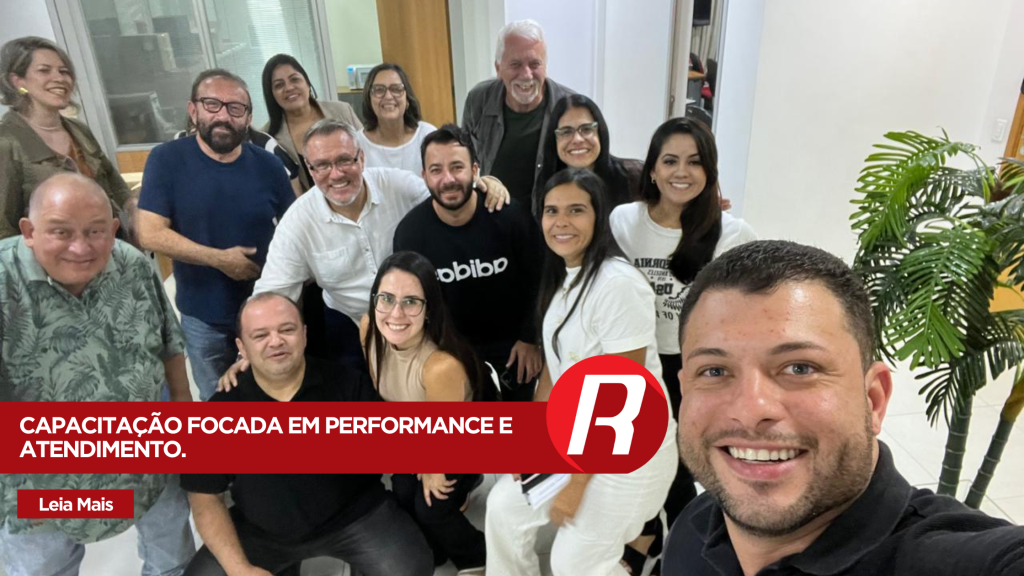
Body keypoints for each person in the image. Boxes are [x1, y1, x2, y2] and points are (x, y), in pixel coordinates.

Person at [664, 240, 1024, 576]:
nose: (751, 410)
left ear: (873, 400)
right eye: (714, 371)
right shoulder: (696, 526)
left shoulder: (955, 561)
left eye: (800, 368)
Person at [485, 169, 677, 576]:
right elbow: (553, 372)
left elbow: (621, 398)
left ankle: (637, 552)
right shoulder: (562, 280)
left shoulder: (617, 284)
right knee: (502, 508)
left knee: (571, 562)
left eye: (576, 210)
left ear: (598, 216)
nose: (561, 222)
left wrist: (575, 484)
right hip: (579, 436)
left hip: (630, 449)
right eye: (551, 211)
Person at [0, 173, 194, 575]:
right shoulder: (4, 281)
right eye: (61, 232)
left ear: (114, 228)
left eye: (95, 231)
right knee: (46, 567)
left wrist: (182, 415)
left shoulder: (132, 265)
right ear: (29, 231)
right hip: (40, 483)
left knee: (173, 560)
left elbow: (168, 344)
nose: (81, 247)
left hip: (144, 459)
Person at [181, 292, 433, 576]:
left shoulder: (347, 385)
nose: (275, 341)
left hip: (355, 516)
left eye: (286, 330)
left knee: (408, 569)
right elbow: (204, 496)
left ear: (304, 334)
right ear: (242, 347)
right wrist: (239, 569)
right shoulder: (220, 411)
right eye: (260, 335)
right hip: (261, 529)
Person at [610, 116, 756, 574]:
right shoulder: (624, 221)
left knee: (679, 462)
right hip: (637, 358)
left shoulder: (732, 233)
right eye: (670, 160)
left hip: (693, 366)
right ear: (652, 169)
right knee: (641, 456)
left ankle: (682, 550)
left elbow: (747, 309)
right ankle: (653, 535)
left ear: (710, 171)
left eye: (695, 162)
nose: (681, 172)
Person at [253, 119, 508, 369]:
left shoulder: (398, 186)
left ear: (362, 158)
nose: (336, 174)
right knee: (356, 391)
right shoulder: (297, 222)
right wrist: (251, 351)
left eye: (345, 160)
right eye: (322, 165)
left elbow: (447, 195)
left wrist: (485, 183)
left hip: (415, 317)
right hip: (350, 321)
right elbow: (273, 291)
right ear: (310, 169)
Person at [138, 68, 295, 401]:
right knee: (218, 399)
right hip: (203, 315)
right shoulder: (166, 160)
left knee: (273, 395)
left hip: (264, 310)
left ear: (248, 117)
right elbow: (149, 233)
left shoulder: (268, 165)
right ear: (193, 110)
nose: (223, 116)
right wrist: (220, 259)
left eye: (235, 108)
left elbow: (295, 228)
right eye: (212, 104)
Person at [358, 251, 488, 574]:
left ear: (429, 309)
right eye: (386, 298)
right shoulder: (368, 329)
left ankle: (478, 556)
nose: (396, 313)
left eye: (411, 302)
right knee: (403, 496)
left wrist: (431, 466)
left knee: (431, 506)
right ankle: (436, 552)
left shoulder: (439, 366)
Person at [393, 124, 542, 400]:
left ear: (475, 170)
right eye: (436, 170)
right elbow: (411, 301)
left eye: (457, 167)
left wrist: (531, 339)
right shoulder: (410, 233)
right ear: (424, 176)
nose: (448, 179)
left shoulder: (511, 217)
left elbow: (539, 280)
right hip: (450, 350)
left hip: (514, 348)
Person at [0, 36, 131, 239]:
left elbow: (117, 187)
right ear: (17, 81)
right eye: (44, 70)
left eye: (64, 71)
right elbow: (4, 228)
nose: (60, 78)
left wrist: (135, 210)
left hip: (107, 246)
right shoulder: (6, 142)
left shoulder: (79, 130)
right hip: (51, 255)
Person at [462, 19, 574, 205]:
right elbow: (464, 159)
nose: (526, 75)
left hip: (550, 218)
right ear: (498, 68)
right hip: (492, 214)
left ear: (545, 67)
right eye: (515, 64)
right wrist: (480, 181)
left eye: (535, 64)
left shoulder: (570, 107)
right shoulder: (478, 100)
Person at [262, 53, 363, 193]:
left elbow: (367, 155)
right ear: (272, 94)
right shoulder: (268, 138)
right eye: (279, 85)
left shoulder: (342, 111)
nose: (289, 88)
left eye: (294, 79)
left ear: (307, 83)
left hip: (356, 194)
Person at [535, 94, 641, 210]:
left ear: (600, 132)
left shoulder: (633, 177)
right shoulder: (547, 180)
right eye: (566, 131)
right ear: (553, 139)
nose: (577, 139)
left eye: (586, 129)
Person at [355, 63, 437, 173]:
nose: (388, 96)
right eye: (379, 90)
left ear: (407, 99)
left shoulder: (427, 135)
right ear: (369, 100)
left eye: (396, 89)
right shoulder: (357, 144)